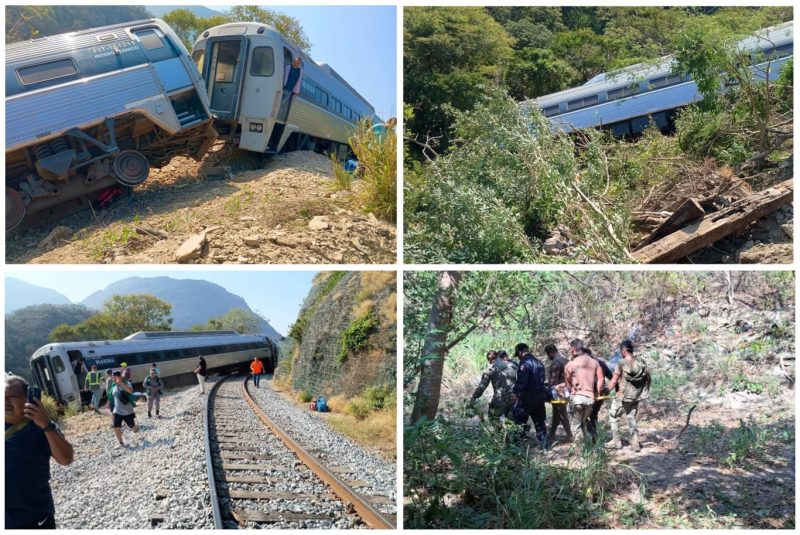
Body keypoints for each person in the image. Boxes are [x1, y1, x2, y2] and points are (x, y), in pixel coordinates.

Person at [5, 375, 74, 529]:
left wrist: (45, 424)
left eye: (12, 397)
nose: (5, 402)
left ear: (29, 400)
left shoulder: (40, 427)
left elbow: (66, 459)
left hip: (32, 517)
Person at [607, 340, 651, 451]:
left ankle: (616, 441)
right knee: (631, 418)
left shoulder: (621, 363)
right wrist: (644, 390)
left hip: (623, 397)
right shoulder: (642, 362)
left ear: (623, 351)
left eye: (621, 351)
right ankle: (635, 443)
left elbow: (614, 381)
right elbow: (648, 378)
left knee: (614, 415)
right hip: (636, 396)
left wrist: (606, 390)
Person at [563, 339, 603, 443]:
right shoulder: (594, 362)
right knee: (583, 422)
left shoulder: (570, 365)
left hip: (576, 399)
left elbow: (568, 385)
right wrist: (598, 392)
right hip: (590, 399)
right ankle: (587, 449)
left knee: (576, 425)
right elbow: (601, 379)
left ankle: (580, 450)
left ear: (573, 349)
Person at [512, 343, 548, 447]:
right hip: (540, 396)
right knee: (540, 422)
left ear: (520, 352)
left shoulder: (524, 364)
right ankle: (544, 444)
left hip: (527, 398)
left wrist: (516, 393)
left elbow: (521, 382)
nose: (518, 357)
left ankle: (519, 445)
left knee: (519, 420)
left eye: (518, 354)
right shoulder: (539, 362)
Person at [469, 351, 515, 422]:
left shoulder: (490, 369)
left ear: (490, 360)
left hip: (500, 400)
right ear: (498, 356)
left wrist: (473, 399)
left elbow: (481, 387)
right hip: (514, 399)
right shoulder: (512, 365)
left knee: (492, 422)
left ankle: (496, 431)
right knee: (512, 424)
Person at [545, 344, 573, 444]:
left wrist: (548, 390)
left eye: (548, 354)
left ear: (550, 352)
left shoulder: (555, 363)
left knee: (561, 413)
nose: (548, 356)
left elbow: (553, 382)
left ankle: (570, 435)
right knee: (557, 413)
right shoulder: (566, 360)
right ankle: (552, 434)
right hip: (568, 389)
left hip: (559, 392)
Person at [586, 348, 613, 437]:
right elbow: (611, 377)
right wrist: (608, 389)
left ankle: (593, 434)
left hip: (590, 393)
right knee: (593, 415)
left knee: (585, 415)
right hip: (600, 393)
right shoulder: (601, 362)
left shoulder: (587, 364)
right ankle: (595, 435)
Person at [110, 371, 139, 449]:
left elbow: (130, 391)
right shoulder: (113, 386)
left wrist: (121, 383)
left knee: (133, 428)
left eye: (115, 377)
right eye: (112, 377)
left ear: (120, 377)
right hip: (117, 411)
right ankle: (121, 443)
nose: (113, 379)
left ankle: (135, 427)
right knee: (116, 426)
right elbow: (112, 396)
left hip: (127, 411)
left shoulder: (127, 383)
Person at [279, 56, 303, 121]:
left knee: (282, 104)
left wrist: (297, 91)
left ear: (300, 63)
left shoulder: (300, 71)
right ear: (294, 61)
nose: (297, 62)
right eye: (296, 61)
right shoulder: (288, 67)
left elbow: (299, 82)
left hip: (290, 90)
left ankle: (277, 116)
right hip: (282, 87)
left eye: (298, 62)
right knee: (277, 101)